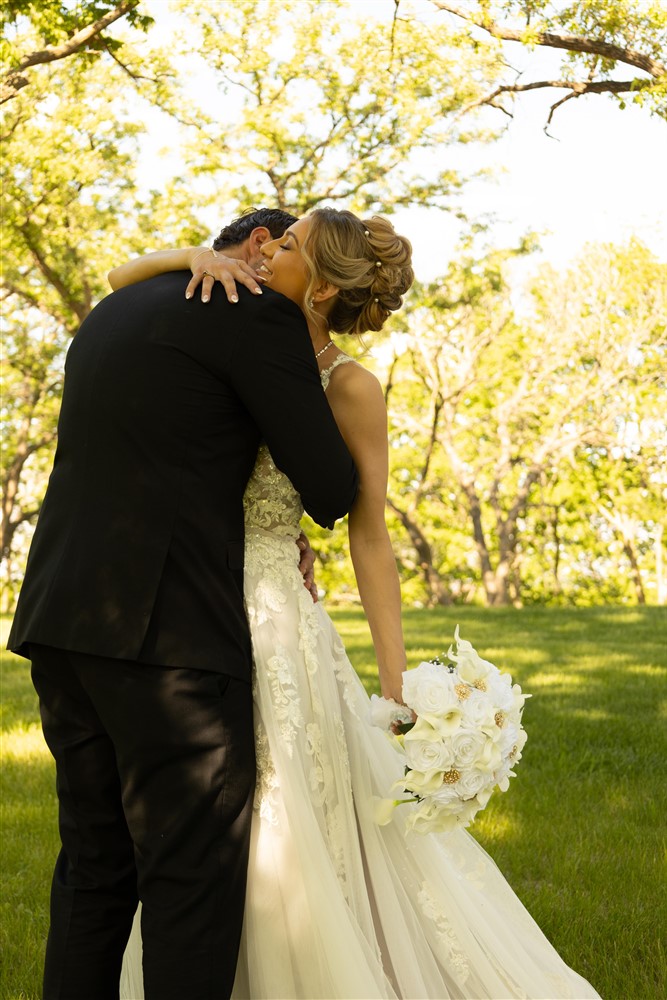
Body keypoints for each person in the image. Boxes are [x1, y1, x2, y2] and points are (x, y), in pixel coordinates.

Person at [112, 206, 601, 1000]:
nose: (268, 249)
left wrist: (397, 683)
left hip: (273, 620)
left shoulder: (350, 387)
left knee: (287, 813)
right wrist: (189, 254)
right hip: (188, 599)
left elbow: (368, 538)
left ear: (325, 285)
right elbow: (117, 283)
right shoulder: (225, 320)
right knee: (191, 824)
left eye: (292, 245)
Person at [6, 207, 360, 1000]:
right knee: (189, 881)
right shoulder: (257, 316)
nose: (280, 266)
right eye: (285, 247)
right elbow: (331, 489)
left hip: (62, 616)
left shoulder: (121, 306)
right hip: (166, 641)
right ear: (259, 248)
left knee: (94, 868)